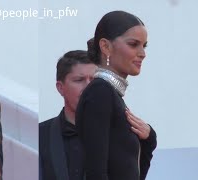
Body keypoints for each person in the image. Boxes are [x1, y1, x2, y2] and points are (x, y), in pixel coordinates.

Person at [75, 11, 157, 180]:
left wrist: (149, 139)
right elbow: (96, 172)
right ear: (106, 46)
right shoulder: (100, 92)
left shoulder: (110, 94)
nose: (142, 53)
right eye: (134, 44)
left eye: (144, 46)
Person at [39, 50, 98, 180]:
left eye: (94, 80)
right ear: (60, 88)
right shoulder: (40, 134)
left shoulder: (117, 135)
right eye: (79, 80)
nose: (89, 87)